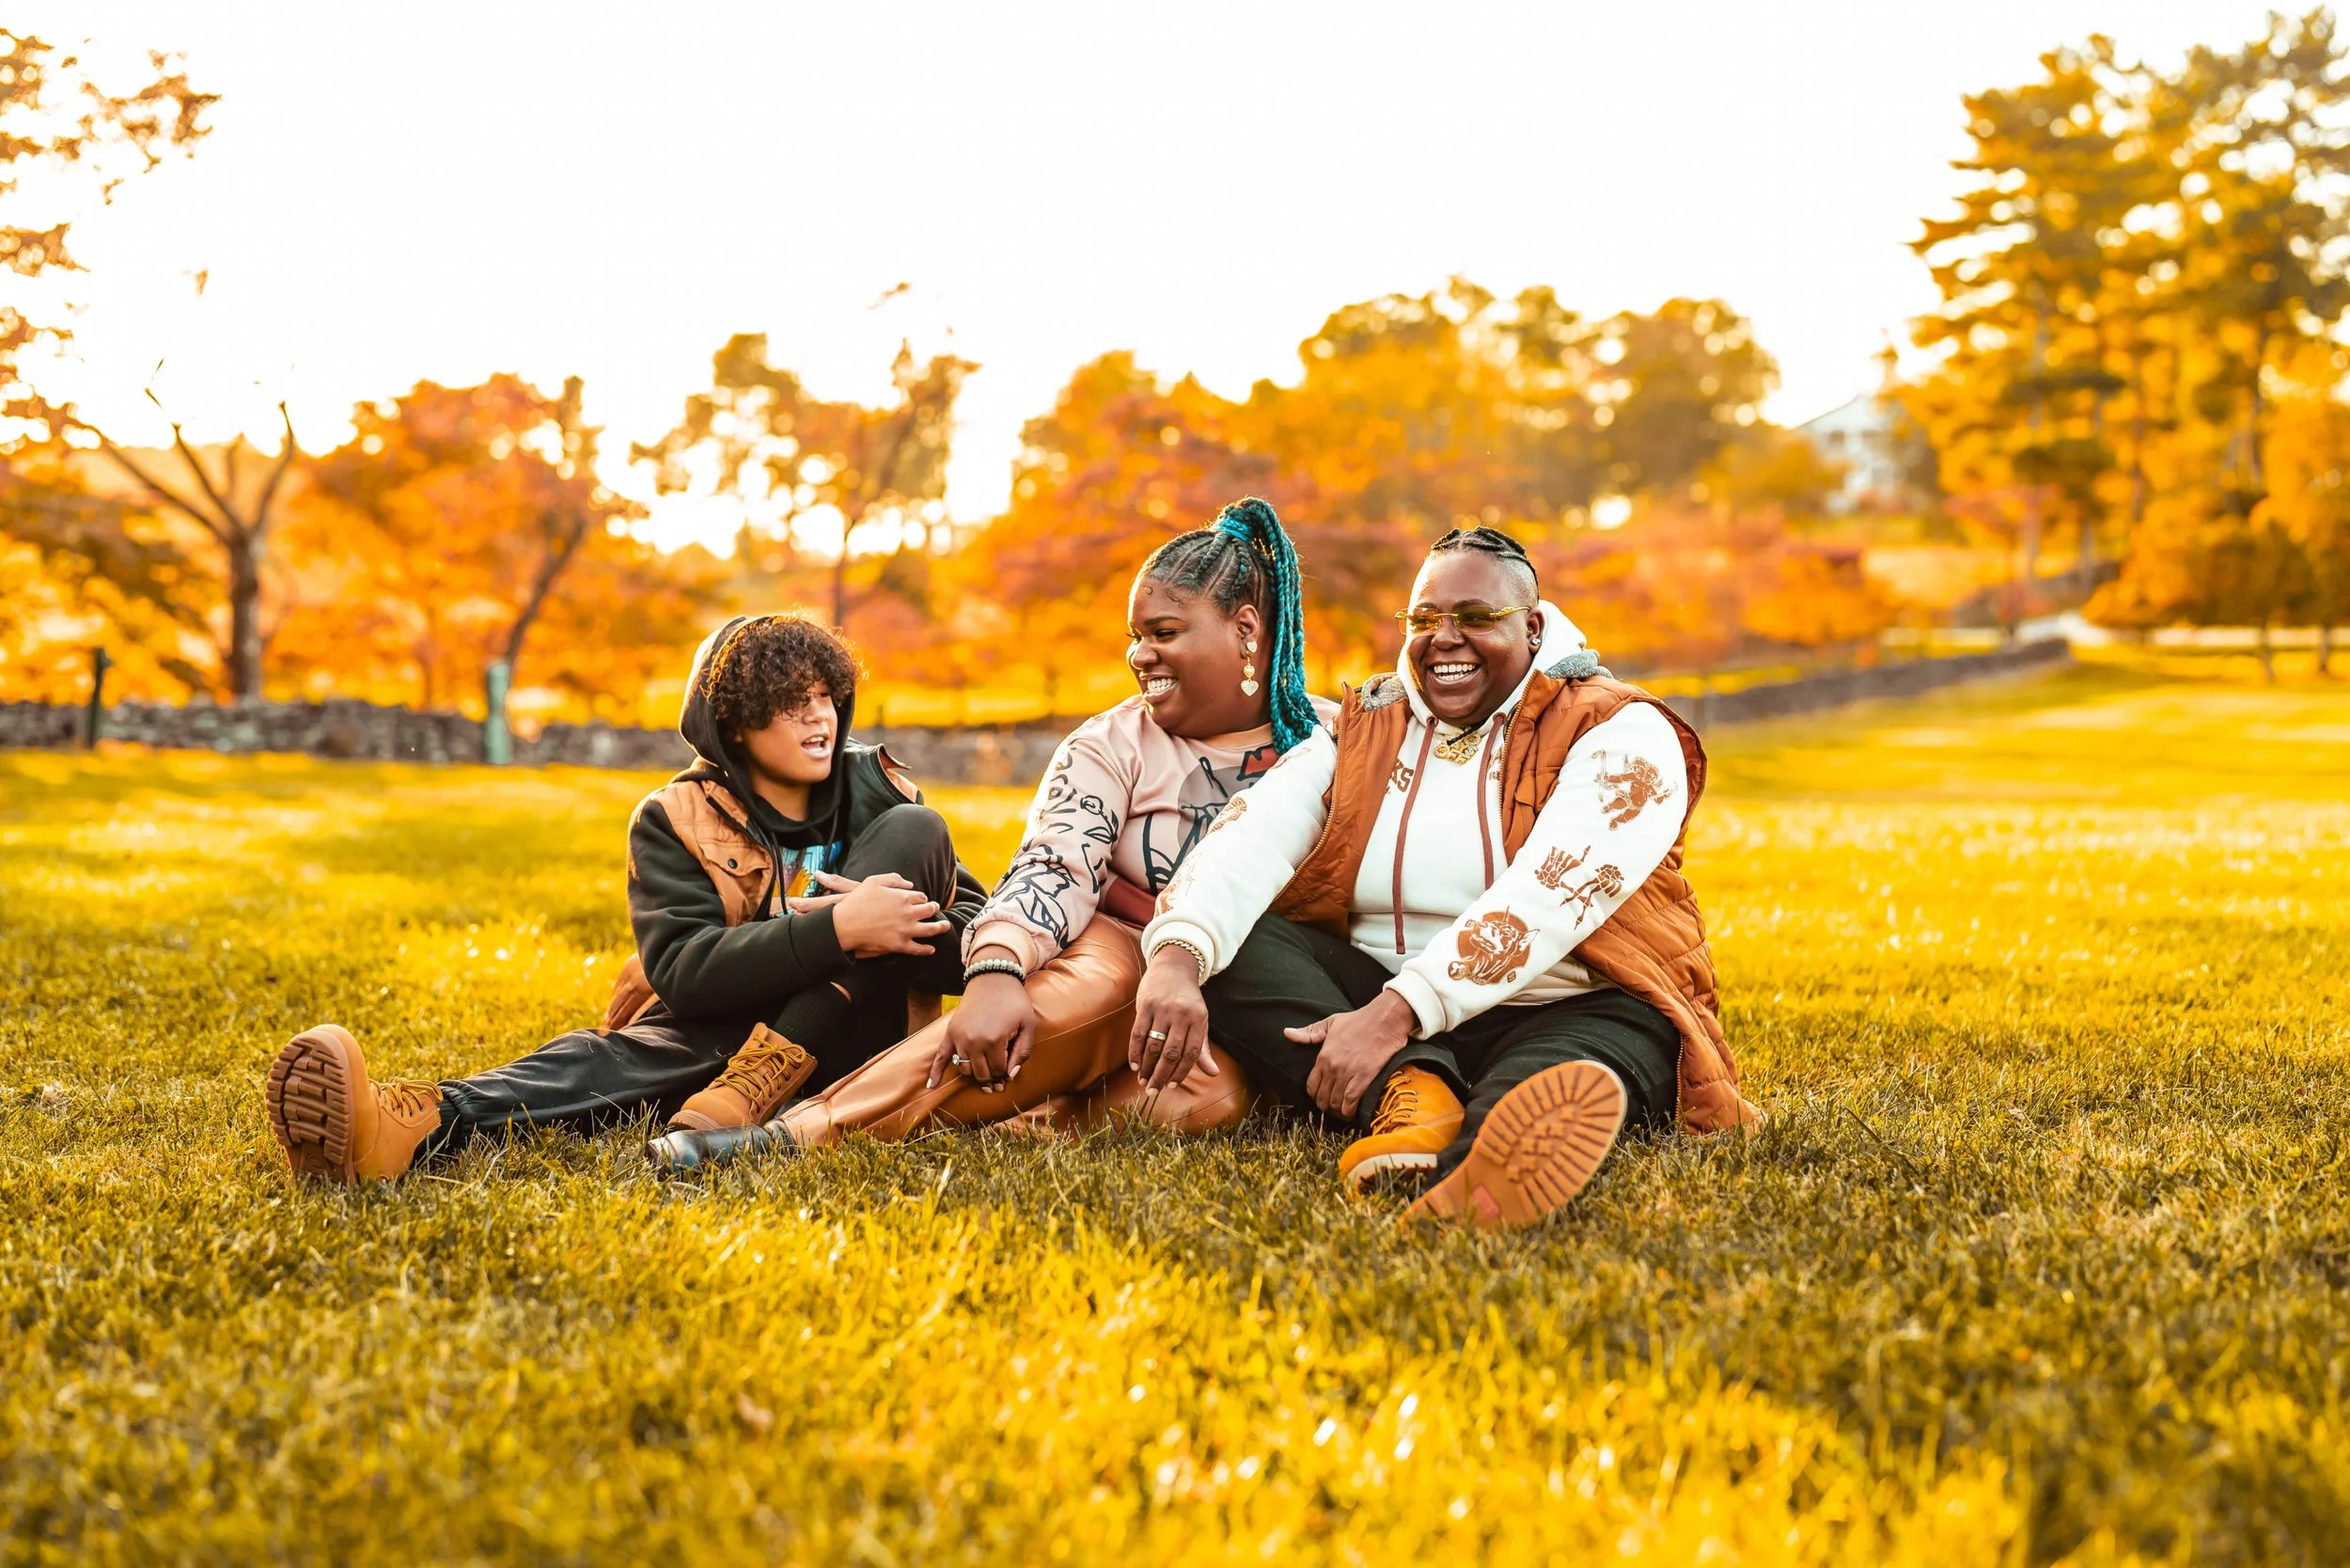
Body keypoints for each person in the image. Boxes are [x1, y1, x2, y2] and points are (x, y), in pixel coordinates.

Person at [649, 497, 1334, 1170]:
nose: (1140, 655)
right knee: (1093, 989)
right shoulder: (1111, 744)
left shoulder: (1337, 742)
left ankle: (1026, 1115)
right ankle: (794, 1135)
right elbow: (1054, 864)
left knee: (1201, 1102)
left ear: (1246, 629)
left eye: (1164, 633)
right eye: (1137, 636)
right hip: (1121, 950)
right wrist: (998, 969)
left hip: (1248, 983)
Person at [1131, 525, 1760, 1230]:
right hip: (1382, 1007)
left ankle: (1479, 1172)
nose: (1444, 638)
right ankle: (1413, 1094)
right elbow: (1254, 830)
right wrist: (1175, 959)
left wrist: (1394, 1015)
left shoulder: (1620, 731)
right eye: (1425, 619)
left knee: (1550, 1079)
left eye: (1476, 618)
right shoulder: (1368, 724)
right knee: (1240, 942)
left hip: (1569, 1000)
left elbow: (1552, 895)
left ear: (1533, 628)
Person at [264, 612, 985, 1184]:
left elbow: (977, 945)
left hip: (863, 1038)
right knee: (618, 1059)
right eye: (793, 704)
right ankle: (409, 1124)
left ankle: (753, 1087)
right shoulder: (675, 817)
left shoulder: (887, 797)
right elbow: (688, 975)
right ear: (734, 721)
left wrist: (879, 934)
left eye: (826, 696)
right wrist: (834, 932)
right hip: (722, 1038)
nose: (820, 718)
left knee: (915, 829)